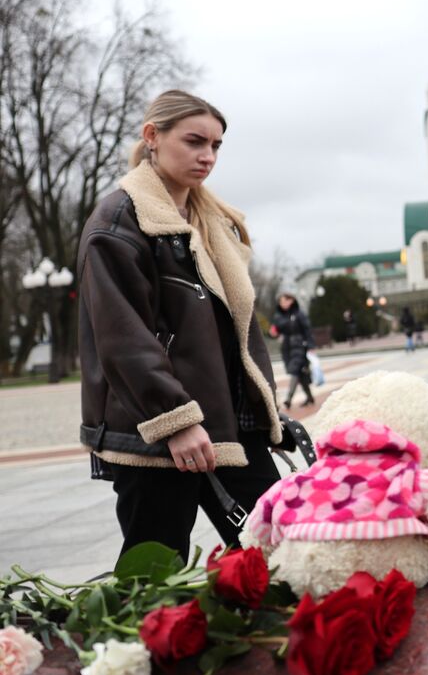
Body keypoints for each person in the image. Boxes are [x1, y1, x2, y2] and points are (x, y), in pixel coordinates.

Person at [77, 90, 284, 562]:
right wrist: (176, 420)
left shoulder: (209, 220)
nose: (207, 156)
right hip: (159, 436)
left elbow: (229, 331)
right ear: (153, 136)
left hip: (231, 428)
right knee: (156, 574)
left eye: (216, 145)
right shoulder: (118, 223)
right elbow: (122, 338)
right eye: (194, 142)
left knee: (280, 555)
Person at [270, 292, 315, 408]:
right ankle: (310, 397)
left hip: (299, 345)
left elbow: (307, 329)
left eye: (285, 301)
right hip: (287, 348)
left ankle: (288, 399)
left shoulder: (299, 314)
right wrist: (273, 333)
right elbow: (275, 330)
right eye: (281, 302)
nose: (283, 304)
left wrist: (310, 346)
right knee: (301, 373)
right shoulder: (278, 316)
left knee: (295, 370)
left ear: (292, 301)